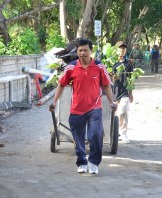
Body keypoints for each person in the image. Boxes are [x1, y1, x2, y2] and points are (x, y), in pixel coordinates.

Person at [49, 39, 117, 174]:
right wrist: (55, 102)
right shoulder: (71, 67)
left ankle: (93, 162)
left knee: (95, 135)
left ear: (91, 51)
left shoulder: (99, 67)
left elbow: (106, 85)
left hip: (94, 108)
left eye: (85, 50)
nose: (82, 53)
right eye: (80, 50)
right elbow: (62, 84)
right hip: (76, 109)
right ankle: (82, 162)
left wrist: (111, 102)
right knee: (78, 139)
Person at [112, 41, 134, 143]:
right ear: (116, 50)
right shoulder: (111, 62)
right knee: (114, 113)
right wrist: (112, 77)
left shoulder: (129, 63)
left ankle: (123, 133)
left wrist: (131, 93)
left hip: (124, 91)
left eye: (124, 49)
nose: (122, 50)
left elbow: (131, 79)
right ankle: (114, 132)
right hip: (113, 92)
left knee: (123, 111)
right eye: (120, 48)